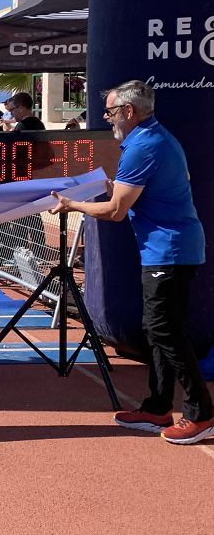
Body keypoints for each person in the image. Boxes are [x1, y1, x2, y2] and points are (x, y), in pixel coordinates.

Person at [50, 80, 212, 445]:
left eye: (109, 111)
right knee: (157, 330)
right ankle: (157, 407)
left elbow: (115, 210)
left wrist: (72, 204)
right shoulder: (151, 140)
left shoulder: (145, 146)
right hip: (167, 250)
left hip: (170, 252)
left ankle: (201, 413)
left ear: (128, 111)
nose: (106, 118)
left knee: (165, 331)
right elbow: (128, 193)